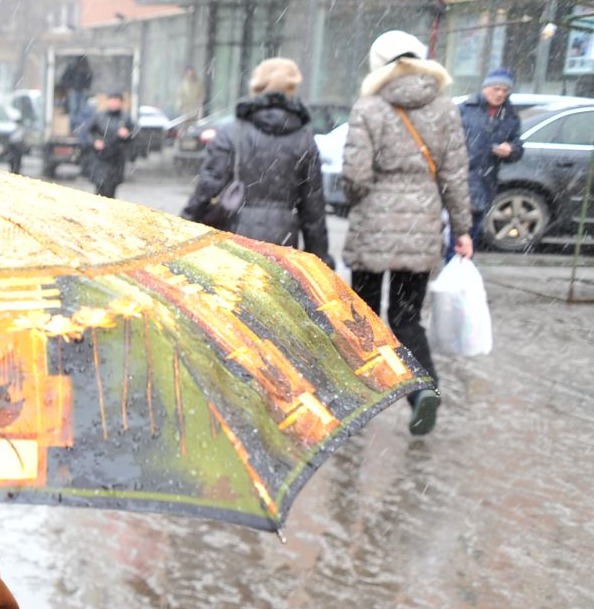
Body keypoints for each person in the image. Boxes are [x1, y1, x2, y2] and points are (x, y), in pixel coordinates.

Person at [341, 30, 472, 437]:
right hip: (422, 226)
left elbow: (356, 176)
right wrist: (463, 229)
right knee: (406, 319)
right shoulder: (445, 108)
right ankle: (422, 392)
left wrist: (357, 194)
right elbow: (455, 174)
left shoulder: (369, 107)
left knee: (362, 318)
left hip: (373, 229)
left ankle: (356, 402)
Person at [180, 57, 330, 263]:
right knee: (272, 292)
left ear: (257, 87)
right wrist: (320, 257)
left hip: (234, 232)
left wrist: (183, 228)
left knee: (234, 291)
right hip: (283, 239)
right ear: (292, 89)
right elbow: (313, 209)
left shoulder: (231, 132)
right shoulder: (305, 140)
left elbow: (207, 187)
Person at [459, 67, 524, 247]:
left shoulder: (510, 116)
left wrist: (510, 149)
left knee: (472, 236)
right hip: (460, 180)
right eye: (496, 89)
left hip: (485, 182)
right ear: (485, 88)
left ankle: (463, 270)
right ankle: (453, 269)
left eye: (505, 90)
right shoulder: (465, 110)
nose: (500, 94)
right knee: (456, 236)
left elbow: (518, 146)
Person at [78, 91, 136, 199]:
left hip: (116, 158)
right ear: (108, 102)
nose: (114, 103)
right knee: (100, 189)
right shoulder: (99, 116)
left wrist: (127, 135)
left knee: (111, 190)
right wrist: (95, 142)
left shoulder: (125, 118)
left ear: (121, 103)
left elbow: (133, 136)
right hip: (101, 157)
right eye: (112, 100)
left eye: (117, 101)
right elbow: (86, 132)